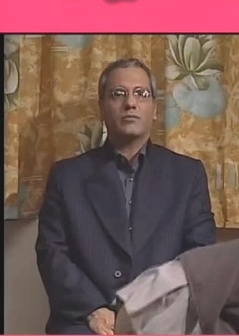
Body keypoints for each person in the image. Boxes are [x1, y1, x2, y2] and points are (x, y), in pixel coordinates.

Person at [36, 58, 216, 335]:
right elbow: (52, 252)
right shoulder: (67, 176)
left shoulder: (187, 174)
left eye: (141, 94)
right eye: (118, 94)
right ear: (102, 107)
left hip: (162, 316)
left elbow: (199, 255)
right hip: (85, 318)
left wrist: (149, 312)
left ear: (154, 109)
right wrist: (92, 309)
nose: (130, 103)